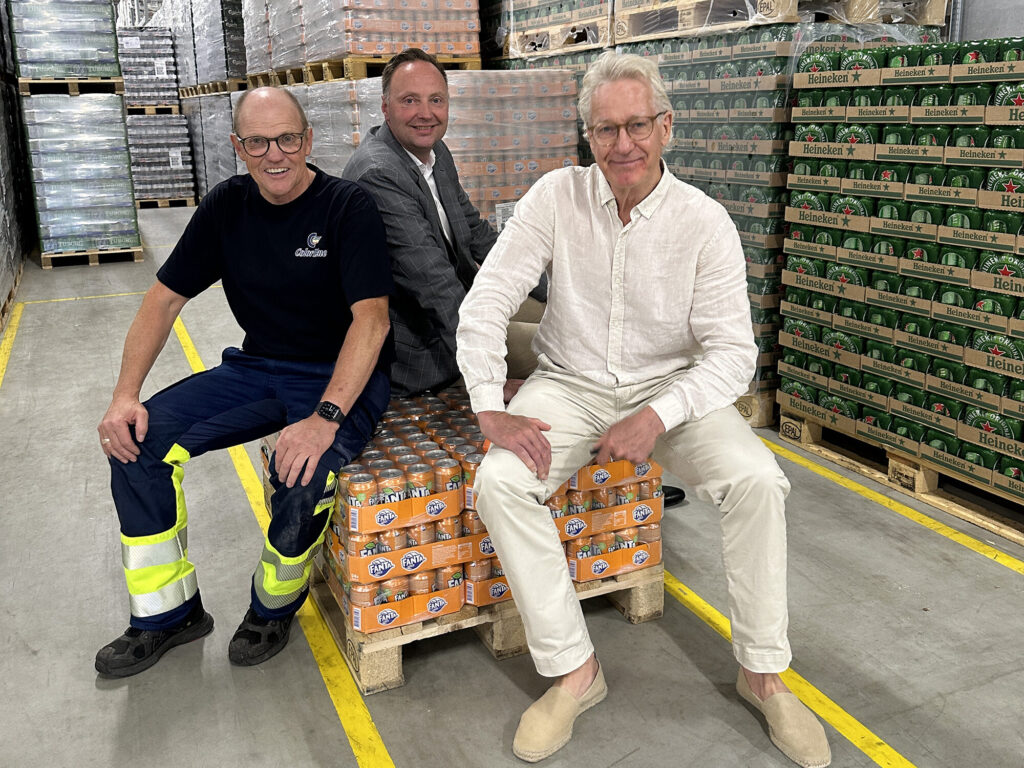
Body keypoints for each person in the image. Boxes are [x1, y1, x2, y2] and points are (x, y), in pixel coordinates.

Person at [456, 52, 830, 768]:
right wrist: (486, 406)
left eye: (636, 126)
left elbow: (731, 355)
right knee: (501, 482)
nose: (621, 145)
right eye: (605, 130)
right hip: (569, 384)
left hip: (673, 392)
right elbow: (487, 303)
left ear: (666, 127)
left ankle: (763, 673)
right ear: (587, 137)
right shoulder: (555, 198)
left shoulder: (704, 223)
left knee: (756, 480)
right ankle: (574, 671)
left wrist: (658, 416)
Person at [94, 86, 393, 678]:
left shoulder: (346, 207)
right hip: (258, 370)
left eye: (286, 138)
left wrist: (323, 420)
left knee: (301, 472)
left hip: (338, 379)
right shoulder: (227, 207)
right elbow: (163, 300)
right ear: (238, 146)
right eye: (256, 141)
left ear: (307, 141)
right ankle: (168, 616)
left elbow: (372, 320)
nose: (273, 154)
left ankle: (272, 608)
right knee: (137, 445)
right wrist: (123, 396)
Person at [343, 47, 544, 400]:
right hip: (425, 347)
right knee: (561, 348)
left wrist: (552, 287)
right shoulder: (378, 174)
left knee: (561, 313)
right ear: (386, 108)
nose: (426, 113)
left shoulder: (435, 154)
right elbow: (435, 285)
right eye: (410, 101)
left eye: (436, 100)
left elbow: (476, 234)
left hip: (460, 306)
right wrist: (488, 380)